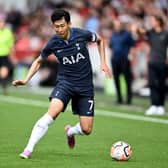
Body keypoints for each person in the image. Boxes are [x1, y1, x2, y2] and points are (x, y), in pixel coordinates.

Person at [12, 9, 112, 159]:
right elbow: (39, 60)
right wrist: (26, 79)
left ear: (69, 24)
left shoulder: (81, 34)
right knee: (52, 113)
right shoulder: (53, 42)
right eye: (56, 26)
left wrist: (103, 62)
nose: (59, 29)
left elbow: (100, 40)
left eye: (62, 25)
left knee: (87, 129)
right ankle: (28, 149)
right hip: (65, 83)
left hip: (85, 87)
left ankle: (70, 131)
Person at [137, 15, 168, 115]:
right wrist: (137, 28)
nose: (151, 22)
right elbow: (141, 32)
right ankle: (154, 105)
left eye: (153, 20)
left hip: (163, 62)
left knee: (161, 85)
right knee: (152, 84)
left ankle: (161, 106)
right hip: (152, 62)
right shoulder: (151, 32)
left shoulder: (166, 33)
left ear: (159, 22)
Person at [109, 20, 135, 105]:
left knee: (127, 79)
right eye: (116, 25)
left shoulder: (127, 34)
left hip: (124, 59)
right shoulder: (112, 35)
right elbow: (111, 46)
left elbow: (132, 45)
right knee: (116, 79)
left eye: (119, 25)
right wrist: (111, 56)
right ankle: (119, 98)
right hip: (115, 60)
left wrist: (131, 55)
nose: (118, 26)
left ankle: (129, 98)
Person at [0, 13, 15, 94]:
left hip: (4, 56)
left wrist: (13, 58)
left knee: (4, 72)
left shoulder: (8, 32)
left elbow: (11, 46)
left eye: (2, 22)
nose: (1, 24)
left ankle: (4, 87)